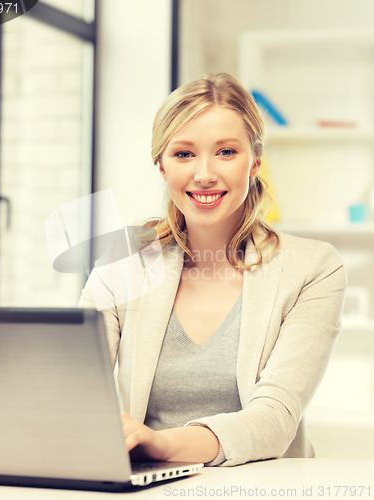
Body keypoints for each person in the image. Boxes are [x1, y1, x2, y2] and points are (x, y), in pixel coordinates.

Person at [79, 73, 347, 466]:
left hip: (263, 487)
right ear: (162, 167)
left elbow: (275, 419)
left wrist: (162, 443)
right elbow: (75, 384)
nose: (204, 174)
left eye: (225, 152)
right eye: (183, 154)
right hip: (147, 485)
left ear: (255, 162)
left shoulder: (313, 268)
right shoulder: (123, 261)